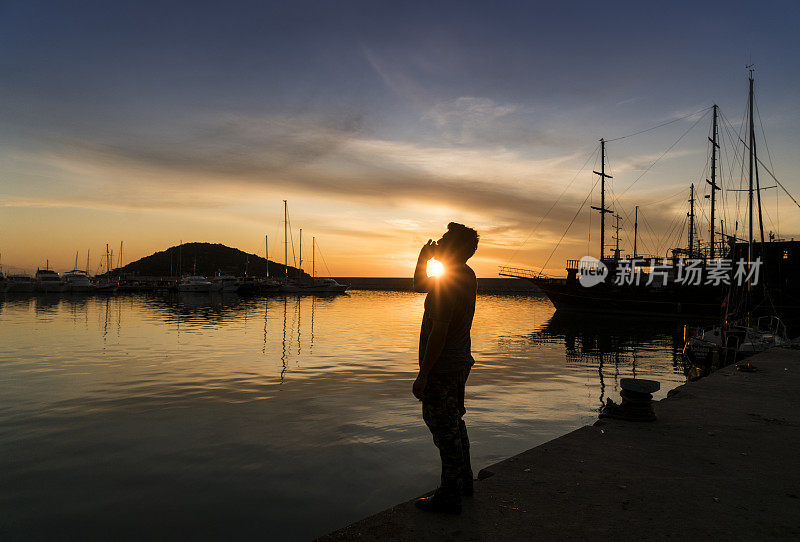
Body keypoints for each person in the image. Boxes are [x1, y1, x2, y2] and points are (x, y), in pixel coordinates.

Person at [412, 222, 479, 514]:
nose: (438, 242)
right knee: (455, 421)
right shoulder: (464, 275)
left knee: (442, 425)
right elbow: (418, 286)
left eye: (444, 240)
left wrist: (424, 374)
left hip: (443, 367)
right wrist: (423, 259)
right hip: (459, 362)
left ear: (456, 249)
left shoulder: (447, 282)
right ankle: (464, 481)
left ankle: (449, 495)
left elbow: (439, 332)